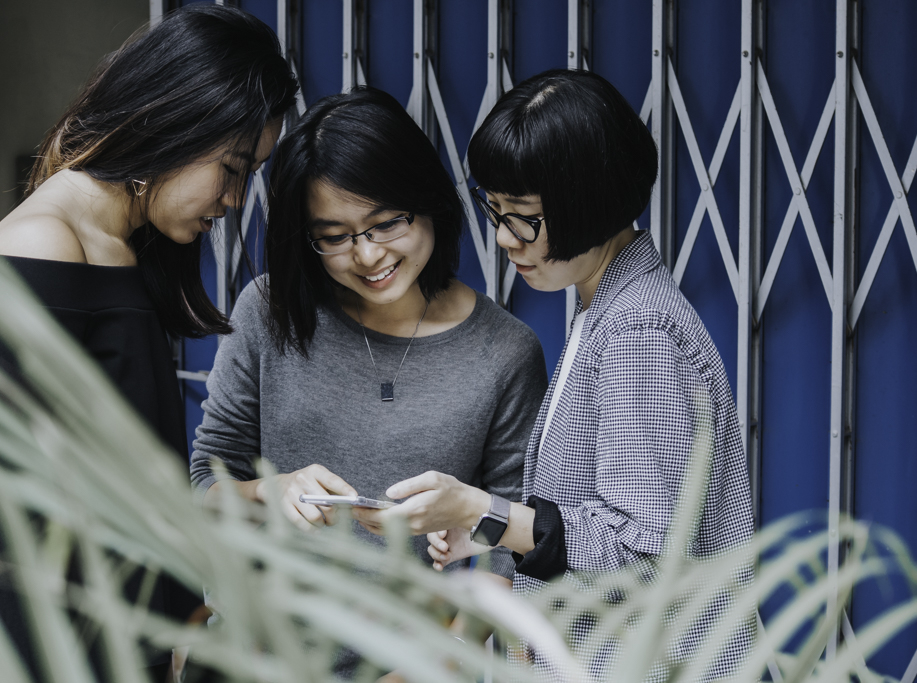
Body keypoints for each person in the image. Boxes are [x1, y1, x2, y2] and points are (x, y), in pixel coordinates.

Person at [356, 69, 756, 680]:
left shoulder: (638, 336)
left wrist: (475, 507)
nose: (505, 239)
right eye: (495, 211)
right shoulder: (610, 310)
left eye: (525, 218)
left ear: (588, 203)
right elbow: (587, 525)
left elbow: (642, 561)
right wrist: (489, 527)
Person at [188, 87, 547, 677]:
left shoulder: (505, 352)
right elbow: (207, 481)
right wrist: (265, 495)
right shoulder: (268, 310)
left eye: (386, 222)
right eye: (333, 235)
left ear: (428, 200)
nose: (366, 255)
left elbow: (505, 547)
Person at [0, 5, 298, 680]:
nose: (234, 198)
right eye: (231, 167)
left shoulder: (120, 246)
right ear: (172, 120)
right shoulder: (44, 242)